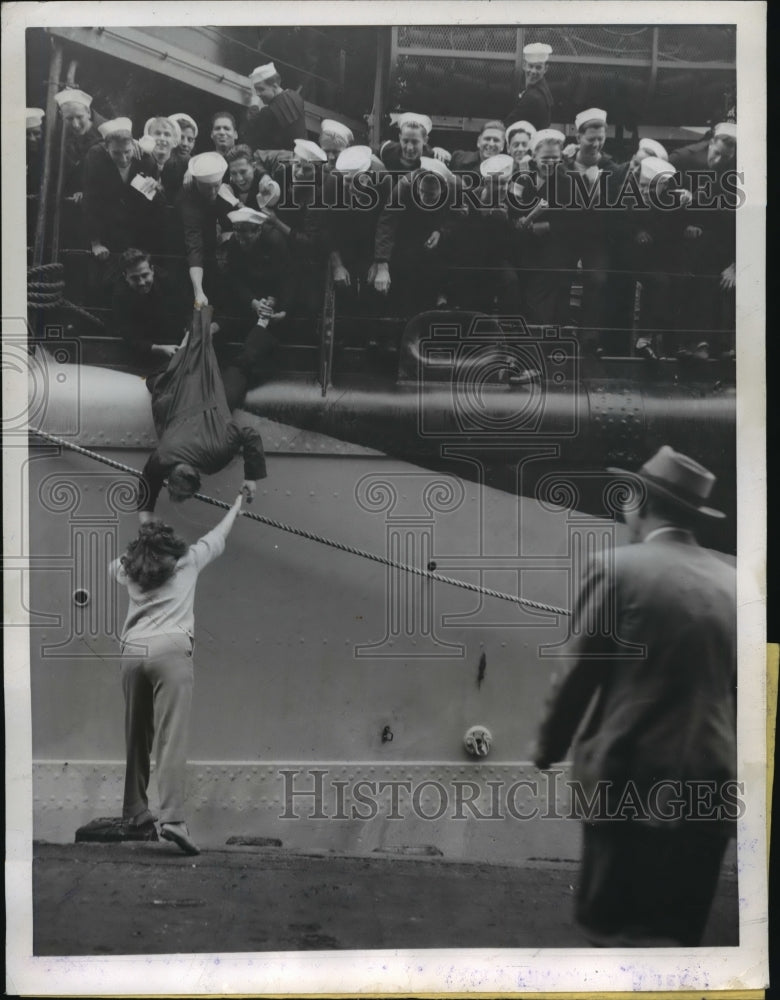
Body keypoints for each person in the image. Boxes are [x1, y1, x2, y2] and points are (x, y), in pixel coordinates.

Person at [533, 445, 736, 947]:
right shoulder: (736, 586)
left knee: (610, 932)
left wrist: (548, 748)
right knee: (677, 939)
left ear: (638, 501)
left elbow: (579, 675)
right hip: (712, 786)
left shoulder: (616, 569)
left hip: (628, 778)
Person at [110, 493, 245, 854]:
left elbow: (120, 565)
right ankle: (172, 819)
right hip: (170, 650)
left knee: (136, 735)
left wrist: (142, 537)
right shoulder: (187, 561)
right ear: (172, 545)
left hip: (132, 652)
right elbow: (218, 536)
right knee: (170, 739)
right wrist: (236, 504)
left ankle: (135, 811)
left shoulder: (127, 568)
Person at [136, 303, 267, 515]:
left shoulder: (216, 456)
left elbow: (250, 435)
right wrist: (251, 475)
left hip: (213, 397)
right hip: (201, 394)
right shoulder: (163, 457)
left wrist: (251, 478)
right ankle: (256, 325)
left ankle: (262, 323)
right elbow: (150, 477)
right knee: (159, 380)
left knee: (241, 367)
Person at [216, 206, 294, 409]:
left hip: (272, 301)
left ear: (258, 231)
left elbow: (287, 277)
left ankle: (239, 366)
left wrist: (279, 306)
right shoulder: (235, 242)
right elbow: (235, 278)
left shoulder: (275, 242)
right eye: (238, 235)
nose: (242, 242)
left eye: (246, 237)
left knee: (266, 335)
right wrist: (252, 302)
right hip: (248, 301)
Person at [670, 121, 737, 346]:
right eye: (716, 153)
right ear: (710, 143)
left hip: (717, 236)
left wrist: (736, 264)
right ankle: (680, 344)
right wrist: (683, 219)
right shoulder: (682, 159)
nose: (718, 161)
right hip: (681, 235)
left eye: (725, 158)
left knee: (716, 280)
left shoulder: (738, 168)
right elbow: (660, 200)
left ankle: (708, 344)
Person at [372, 156, 455, 314]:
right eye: (421, 191)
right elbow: (387, 222)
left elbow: (457, 218)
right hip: (406, 235)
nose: (423, 198)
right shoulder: (405, 184)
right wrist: (382, 264)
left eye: (430, 194)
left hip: (437, 239)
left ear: (444, 188)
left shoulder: (455, 186)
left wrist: (441, 231)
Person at [508, 128, 573, 326]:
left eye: (555, 158)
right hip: (523, 250)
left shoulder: (567, 182)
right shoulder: (521, 178)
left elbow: (574, 219)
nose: (550, 162)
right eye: (545, 157)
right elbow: (513, 207)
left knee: (542, 306)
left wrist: (549, 225)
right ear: (534, 156)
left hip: (551, 254)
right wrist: (518, 220)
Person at [111, 248, 190, 375]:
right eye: (135, 278)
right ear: (125, 277)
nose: (142, 282)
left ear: (152, 270)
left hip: (173, 340)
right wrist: (158, 349)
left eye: (145, 275)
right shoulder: (119, 294)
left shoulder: (168, 282)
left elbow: (187, 312)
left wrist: (186, 339)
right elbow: (128, 335)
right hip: (143, 350)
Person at [174, 151, 235, 308]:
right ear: (195, 181)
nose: (213, 192)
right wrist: (198, 291)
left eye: (216, 186)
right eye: (207, 188)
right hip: (186, 255)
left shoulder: (222, 178)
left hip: (212, 249)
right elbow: (194, 248)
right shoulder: (187, 202)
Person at [243, 62, 307, 151]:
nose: (257, 94)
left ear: (274, 86)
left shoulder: (268, 112)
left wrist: (253, 105)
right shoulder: (296, 96)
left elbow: (252, 129)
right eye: (256, 89)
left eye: (261, 89)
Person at [505, 42, 554, 131]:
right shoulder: (542, 89)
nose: (533, 71)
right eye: (530, 66)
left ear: (545, 69)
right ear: (524, 65)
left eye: (538, 67)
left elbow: (510, 123)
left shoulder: (534, 96)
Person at [432, 120, 507, 177]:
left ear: (502, 146)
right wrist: (436, 151)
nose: (491, 144)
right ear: (478, 142)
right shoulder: (459, 158)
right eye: (487, 139)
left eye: (496, 140)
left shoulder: (508, 169)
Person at [379, 112, 435, 176]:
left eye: (415, 142)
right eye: (405, 141)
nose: (410, 147)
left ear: (425, 140)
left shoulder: (430, 158)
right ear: (400, 138)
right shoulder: (388, 150)